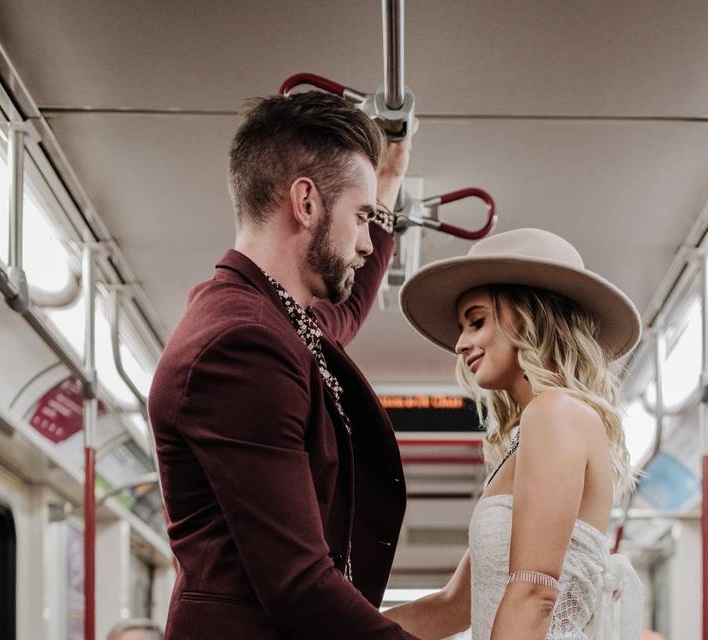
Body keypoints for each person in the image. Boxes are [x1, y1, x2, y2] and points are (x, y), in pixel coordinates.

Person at [148, 92, 419, 639]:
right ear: (307, 202)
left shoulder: (267, 319)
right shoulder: (242, 344)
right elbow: (298, 584)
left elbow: (342, 312)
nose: (367, 243)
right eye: (361, 218)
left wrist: (382, 188)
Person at [390, 228, 645, 639]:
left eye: (476, 321)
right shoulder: (533, 430)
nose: (460, 344)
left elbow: (534, 594)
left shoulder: (554, 413)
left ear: (528, 317)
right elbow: (453, 607)